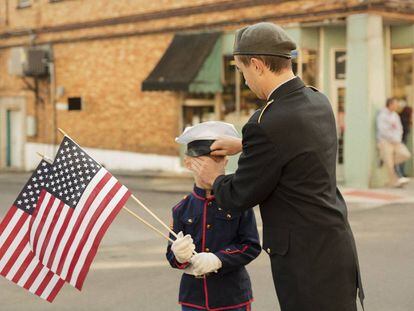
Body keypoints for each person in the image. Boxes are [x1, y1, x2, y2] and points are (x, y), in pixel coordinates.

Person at [187, 22, 364, 311]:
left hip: (306, 263)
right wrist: (244, 144)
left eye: (241, 71)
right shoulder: (317, 100)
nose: (244, 80)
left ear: (256, 65)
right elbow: (298, 147)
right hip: (335, 247)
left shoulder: (265, 122)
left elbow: (240, 195)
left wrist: (214, 177)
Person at [166, 121, 261, 311]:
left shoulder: (238, 202)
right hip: (194, 300)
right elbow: (172, 257)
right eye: (203, 158)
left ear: (225, 161)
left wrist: (218, 259)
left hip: (232, 298)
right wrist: (179, 255)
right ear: (188, 162)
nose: (210, 165)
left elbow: (251, 246)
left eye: (217, 158)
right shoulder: (181, 209)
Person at [377, 97, 411, 187]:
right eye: (395, 104)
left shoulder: (395, 115)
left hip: (396, 141)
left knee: (406, 154)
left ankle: (384, 160)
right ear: (390, 104)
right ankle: (395, 182)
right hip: (385, 141)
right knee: (390, 164)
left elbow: (400, 128)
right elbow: (382, 130)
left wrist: (398, 138)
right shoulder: (382, 115)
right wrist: (392, 138)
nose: (397, 106)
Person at [397, 99, 412, 177]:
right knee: (402, 156)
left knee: (403, 157)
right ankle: (400, 173)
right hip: (400, 140)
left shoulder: (404, 119)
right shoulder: (403, 119)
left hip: (402, 140)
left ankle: (401, 173)